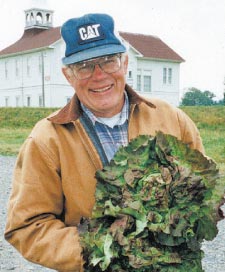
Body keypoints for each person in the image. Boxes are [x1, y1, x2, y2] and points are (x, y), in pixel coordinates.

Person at [4, 13, 204, 272]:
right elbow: (27, 227)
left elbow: (203, 188)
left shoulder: (171, 118)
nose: (98, 75)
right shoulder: (46, 140)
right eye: (84, 66)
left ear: (125, 63)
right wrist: (103, 248)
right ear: (68, 75)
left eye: (108, 61)